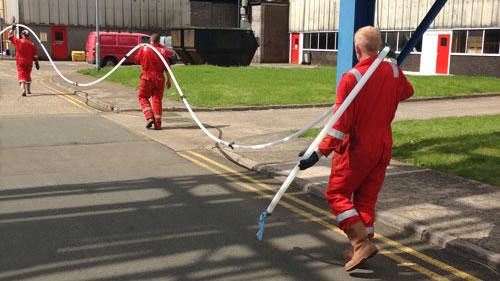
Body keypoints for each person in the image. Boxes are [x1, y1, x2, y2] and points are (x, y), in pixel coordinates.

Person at [298, 26, 414, 271]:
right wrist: (393, 68)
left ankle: (360, 243)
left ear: (357, 48)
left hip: (357, 149)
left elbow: (340, 125)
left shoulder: (351, 78)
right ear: (379, 45)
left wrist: (317, 153)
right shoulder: (393, 71)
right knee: (366, 200)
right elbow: (407, 92)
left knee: (337, 195)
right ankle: (361, 250)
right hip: (383, 146)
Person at [135, 33, 171, 130]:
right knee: (157, 100)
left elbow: (137, 60)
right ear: (159, 41)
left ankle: (149, 117)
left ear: (150, 41)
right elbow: (167, 67)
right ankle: (158, 124)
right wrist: (169, 80)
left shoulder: (144, 49)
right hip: (159, 79)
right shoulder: (163, 51)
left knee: (142, 97)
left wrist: (140, 48)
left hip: (146, 78)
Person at [8, 25, 39, 96]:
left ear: (22, 35)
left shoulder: (18, 41)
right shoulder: (32, 44)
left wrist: (12, 29)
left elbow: (10, 37)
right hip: (29, 62)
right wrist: (36, 62)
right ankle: (28, 90)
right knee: (28, 75)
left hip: (20, 62)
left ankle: (23, 89)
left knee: (21, 74)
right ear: (28, 36)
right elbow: (35, 55)